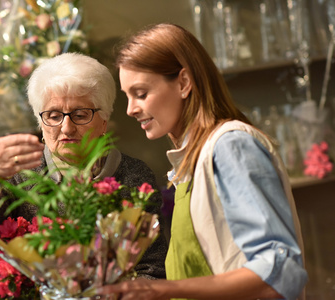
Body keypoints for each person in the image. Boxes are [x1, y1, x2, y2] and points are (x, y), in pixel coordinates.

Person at [98, 23, 308, 299]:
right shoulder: (190, 162)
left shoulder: (230, 146)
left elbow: (281, 270)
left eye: (141, 93)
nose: (131, 109)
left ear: (184, 83)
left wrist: (163, 290)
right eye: (127, 96)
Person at [0, 52, 168, 280]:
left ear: (104, 121)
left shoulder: (133, 176)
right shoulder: (20, 173)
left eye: (80, 114)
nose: (66, 128)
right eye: (53, 115)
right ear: (41, 123)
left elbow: (151, 269)